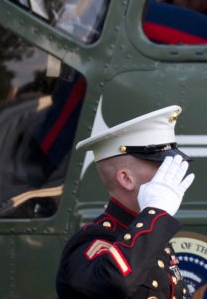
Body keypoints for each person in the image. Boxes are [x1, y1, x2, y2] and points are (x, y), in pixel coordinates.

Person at [56, 102, 196, 298]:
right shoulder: (91, 242)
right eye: (161, 166)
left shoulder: (147, 232)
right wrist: (156, 212)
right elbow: (114, 283)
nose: (170, 175)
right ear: (126, 179)